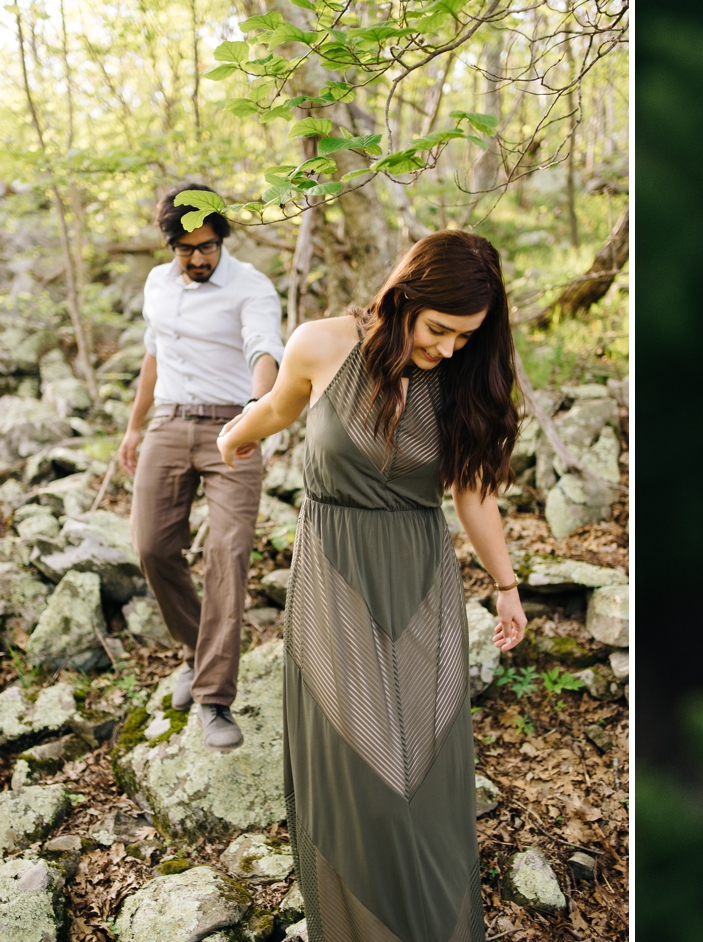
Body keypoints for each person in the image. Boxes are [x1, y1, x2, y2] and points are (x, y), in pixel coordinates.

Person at [217, 230, 528, 942]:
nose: (449, 348)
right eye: (440, 329)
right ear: (404, 296)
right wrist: (238, 432)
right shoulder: (323, 345)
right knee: (362, 785)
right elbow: (278, 409)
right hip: (334, 580)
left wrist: (507, 585)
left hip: (422, 583)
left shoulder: (463, 375)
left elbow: (475, 493)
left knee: (425, 786)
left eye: (466, 336)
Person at [120, 182, 284, 751]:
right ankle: (198, 648)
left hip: (232, 425)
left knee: (228, 552)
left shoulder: (252, 288)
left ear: (222, 239)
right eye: (186, 248)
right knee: (151, 547)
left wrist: (254, 415)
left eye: (207, 246)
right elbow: (153, 352)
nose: (198, 258)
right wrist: (134, 425)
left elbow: (264, 350)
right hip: (167, 421)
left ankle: (215, 697)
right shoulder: (157, 285)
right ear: (170, 245)